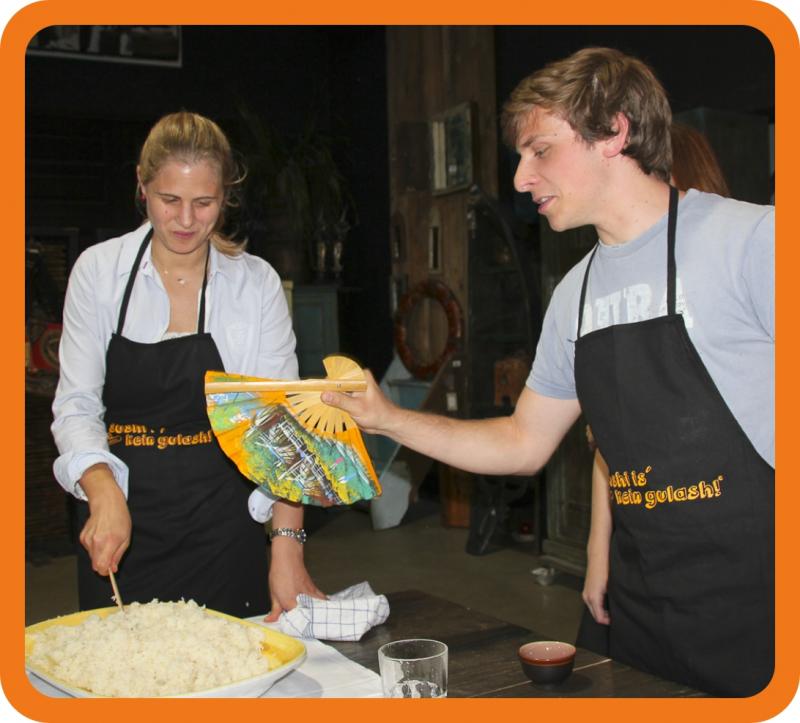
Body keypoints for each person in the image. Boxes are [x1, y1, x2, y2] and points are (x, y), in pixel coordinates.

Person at [322, 48, 774, 696]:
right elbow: (521, 441)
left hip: (761, 603)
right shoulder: (574, 295)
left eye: (540, 150)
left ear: (613, 131)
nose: (521, 178)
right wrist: (387, 418)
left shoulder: (752, 244)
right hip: (640, 604)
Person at [51, 111, 324, 619]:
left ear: (226, 196)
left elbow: (280, 423)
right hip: (120, 523)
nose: (185, 220)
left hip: (223, 531)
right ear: (142, 186)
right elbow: (77, 404)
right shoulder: (99, 273)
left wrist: (287, 546)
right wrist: (101, 487)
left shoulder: (254, 285)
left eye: (204, 203)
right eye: (169, 199)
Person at [582, 120, 733, 633]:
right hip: (644, 548)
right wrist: (597, 550)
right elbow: (609, 445)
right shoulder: (602, 294)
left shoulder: (736, 271)